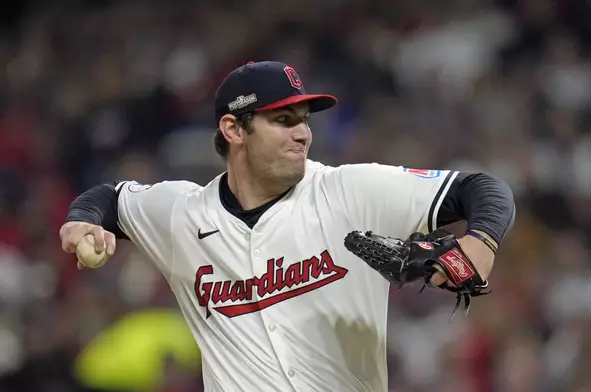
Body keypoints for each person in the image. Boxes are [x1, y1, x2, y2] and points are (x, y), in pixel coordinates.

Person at [59, 61, 515, 392]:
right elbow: (109, 199)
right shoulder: (182, 214)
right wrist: (82, 223)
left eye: (303, 120)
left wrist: (483, 242)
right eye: (282, 120)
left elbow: (483, 188)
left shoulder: (350, 191)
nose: (303, 133)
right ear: (234, 130)